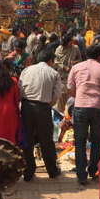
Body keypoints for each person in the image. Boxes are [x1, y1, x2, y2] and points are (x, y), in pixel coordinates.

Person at [67, 44, 100, 185]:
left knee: (80, 141)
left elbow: (70, 89)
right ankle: (93, 170)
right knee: (96, 141)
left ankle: (81, 175)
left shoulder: (76, 68)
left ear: (85, 55)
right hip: (98, 107)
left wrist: (81, 95)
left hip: (80, 107)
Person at [19, 49, 62, 181]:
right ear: (50, 61)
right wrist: (48, 105)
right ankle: (52, 170)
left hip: (26, 106)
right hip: (43, 108)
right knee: (46, 140)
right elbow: (56, 95)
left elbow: (20, 88)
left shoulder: (26, 70)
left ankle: (28, 170)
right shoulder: (54, 73)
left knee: (28, 139)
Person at [54, 34, 82, 111]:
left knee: (71, 98)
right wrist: (64, 67)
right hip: (62, 77)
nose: (72, 42)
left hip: (73, 77)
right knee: (61, 97)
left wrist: (76, 62)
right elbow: (56, 62)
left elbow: (80, 59)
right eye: (70, 41)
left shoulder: (75, 48)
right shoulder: (59, 49)